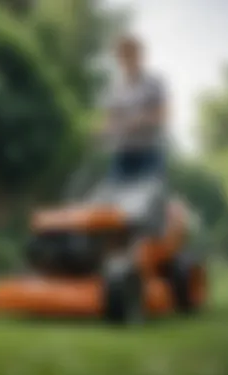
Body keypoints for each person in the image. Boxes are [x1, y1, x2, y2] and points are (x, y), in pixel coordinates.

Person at [97, 35, 168, 237]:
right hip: (123, 153)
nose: (126, 59)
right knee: (112, 202)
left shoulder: (153, 83)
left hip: (149, 152)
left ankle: (148, 251)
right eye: (122, 55)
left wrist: (139, 120)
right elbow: (110, 119)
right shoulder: (115, 88)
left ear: (139, 55)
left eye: (130, 54)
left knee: (146, 205)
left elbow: (162, 114)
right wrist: (102, 130)